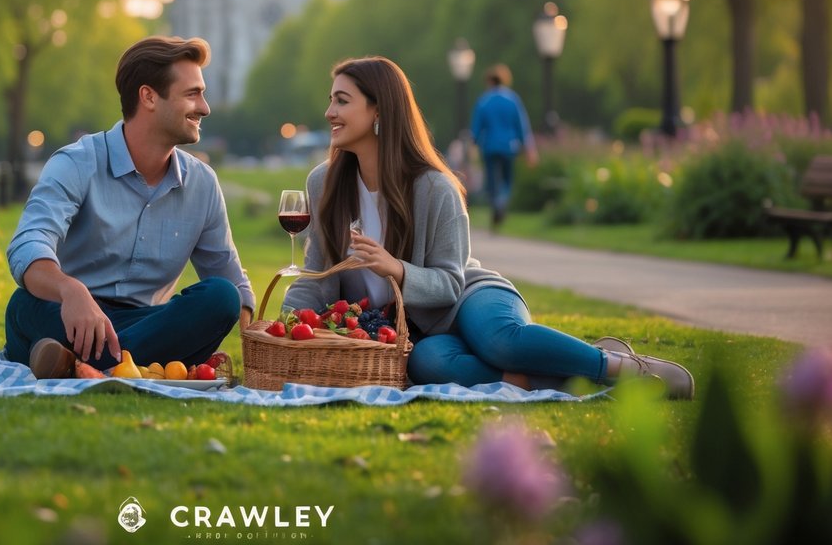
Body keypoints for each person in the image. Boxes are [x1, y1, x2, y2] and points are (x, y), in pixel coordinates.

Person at [282, 56, 694, 398]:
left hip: (467, 296)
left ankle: (621, 367)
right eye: (331, 100)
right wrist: (280, 324)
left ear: (378, 111)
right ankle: (538, 379)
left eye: (341, 101)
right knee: (426, 363)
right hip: (421, 329)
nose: (329, 113)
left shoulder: (434, 187)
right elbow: (317, 272)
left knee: (500, 341)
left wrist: (397, 268)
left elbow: (448, 282)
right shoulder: (324, 183)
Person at [4, 36, 254, 378]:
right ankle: (123, 365)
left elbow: (229, 280)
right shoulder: (77, 163)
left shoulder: (203, 184)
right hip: (67, 315)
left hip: (148, 321)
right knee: (24, 307)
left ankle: (77, 366)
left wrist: (260, 341)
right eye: (192, 93)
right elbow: (28, 244)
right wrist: (70, 290)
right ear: (149, 96)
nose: (205, 107)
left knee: (221, 297)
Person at [470, 63, 537, 228]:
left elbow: (476, 129)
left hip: (490, 146)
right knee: (507, 180)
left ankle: (495, 203)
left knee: (492, 181)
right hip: (509, 146)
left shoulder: (484, 101)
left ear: (489, 81)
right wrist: (528, 149)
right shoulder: (513, 99)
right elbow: (522, 126)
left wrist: (473, 146)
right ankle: (502, 200)